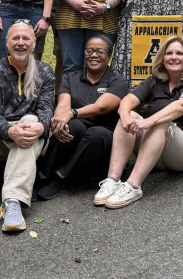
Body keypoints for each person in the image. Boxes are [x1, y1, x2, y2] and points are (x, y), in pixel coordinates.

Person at [94, 36, 183, 209]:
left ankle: (133, 186)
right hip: (159, 157)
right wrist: (125, 116)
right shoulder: (154, 82)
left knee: (162, 121)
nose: (174, 57)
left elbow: (181, 106)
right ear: (162, 58)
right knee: (131, 114)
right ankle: (113, 180)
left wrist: (148, 121)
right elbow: (128, 99)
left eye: (179, 53)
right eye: (169, 53)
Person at [0, 21, 54, 233]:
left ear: (34, 43)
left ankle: (13, 201)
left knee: (32, 122)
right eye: (16, 38)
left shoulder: (44, 72)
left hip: (29, 137)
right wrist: (8, 130)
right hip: (2, 137)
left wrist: (42, 127)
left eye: (26, 39)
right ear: (7, 43)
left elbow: (46, 109)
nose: (21, 43)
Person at [36, 36, 128, 200]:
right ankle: (42, 175)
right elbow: (63, 105)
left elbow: (101, 107)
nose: (94, 55)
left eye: (100, 51)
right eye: (89, 51)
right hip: (78, 128)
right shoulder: (71, 78)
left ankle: (60, 176)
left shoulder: (118, 80)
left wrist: (72, 113)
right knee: (72, 127)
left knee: (96, 134)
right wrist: (59, 121)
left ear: (109, 56)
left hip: (104, 134)